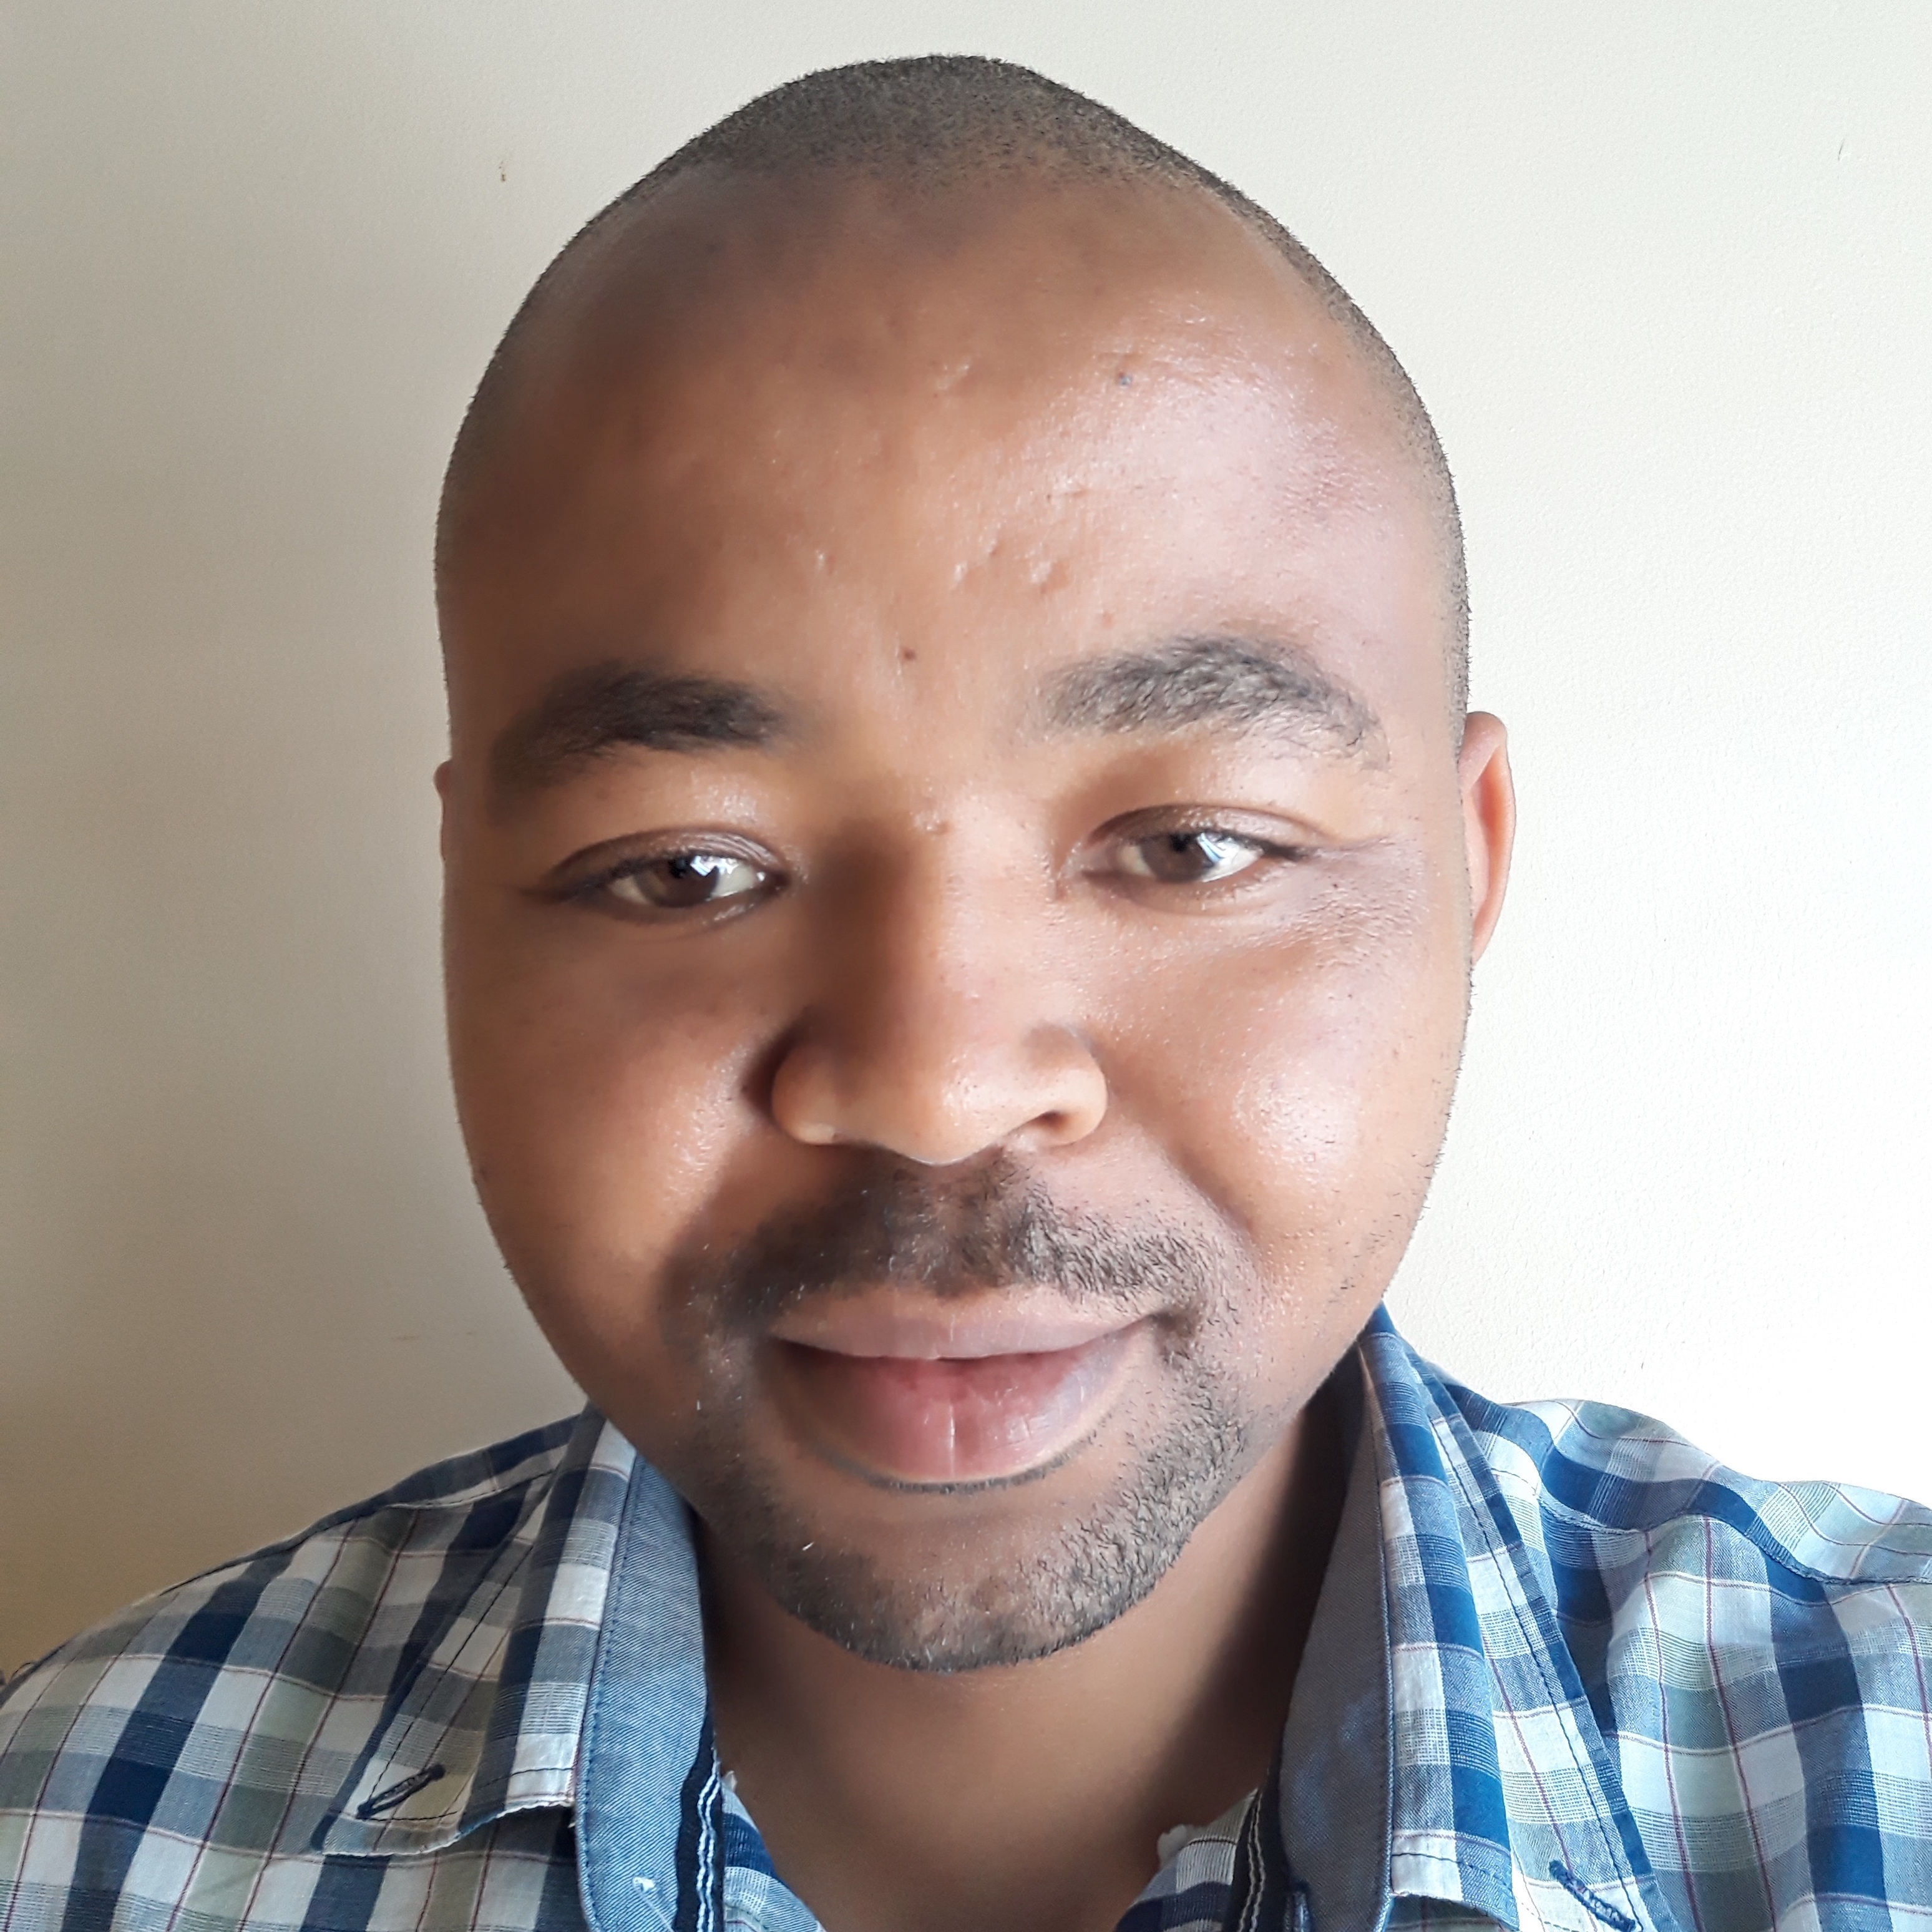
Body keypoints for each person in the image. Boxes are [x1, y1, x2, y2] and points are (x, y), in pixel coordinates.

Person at [3, 54, 1928, 1932]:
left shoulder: (1881, 1762)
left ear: (1469, 864)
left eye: (1189, 846)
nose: (935, 1087)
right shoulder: (68, 1846)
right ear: (466, 907)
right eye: (688, 870)